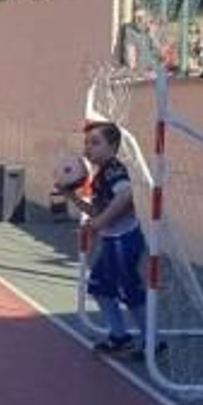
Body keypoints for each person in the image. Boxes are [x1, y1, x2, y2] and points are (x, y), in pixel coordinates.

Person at [70, 122, 149, 356]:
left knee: (128, 291)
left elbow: (125, 196)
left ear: (113, 147)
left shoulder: (114, 170)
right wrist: (70, 196)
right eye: (86, 142)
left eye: (95, 142)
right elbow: (96, 212)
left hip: (125, 241)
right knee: (100, 287)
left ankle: (152, 342)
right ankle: (119, 336)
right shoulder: (99, 175)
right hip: (112, 240)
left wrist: (99, 223)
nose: (89, 147)